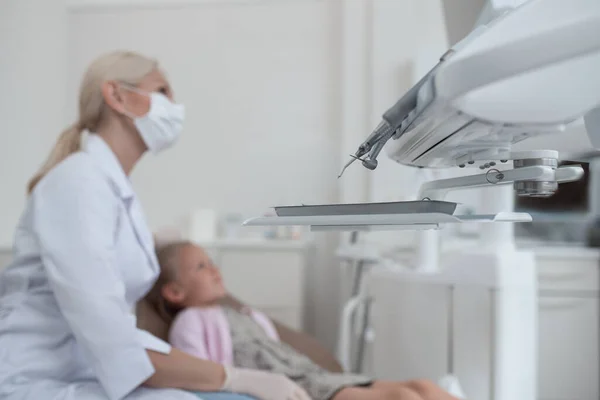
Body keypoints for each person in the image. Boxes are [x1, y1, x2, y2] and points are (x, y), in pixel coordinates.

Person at [0, 50, 310, 400]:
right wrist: (233, 377)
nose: (174, 107)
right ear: (117, 95)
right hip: (34, 377)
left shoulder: (112, 189)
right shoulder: (77, 183)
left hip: (88, 370)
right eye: (162, 92)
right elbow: (110, 336)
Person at [146, 241, 462, 400]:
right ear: (174, 291)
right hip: (298, 388)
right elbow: (201, 373)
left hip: (315, 374)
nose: (214, 269)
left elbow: (280, 350)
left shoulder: (244, 314)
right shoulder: (190, 322)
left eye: (211, 262)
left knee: (424, 386)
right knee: (403, 397)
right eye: (201, 267)